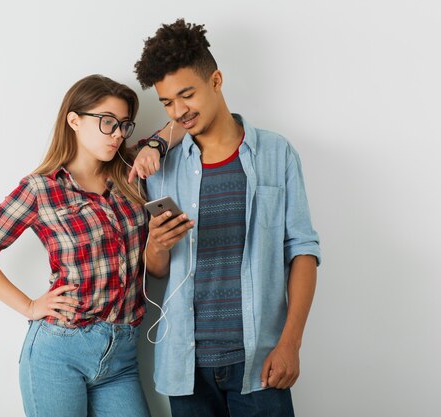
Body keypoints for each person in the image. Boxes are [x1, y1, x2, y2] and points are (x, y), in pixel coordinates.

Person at [130, 19, 322, 417]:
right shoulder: (161, 168)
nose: (179, 111)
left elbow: (302, 250)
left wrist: (290, 343)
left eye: (187, 94)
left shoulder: (275, 153)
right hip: (186, 366)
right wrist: (157, 245)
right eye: (167, 102)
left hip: (261, 362)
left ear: (216, 80)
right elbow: (158, 270)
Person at [0, 74, 152, 417]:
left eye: (124, 124)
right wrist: (30, 306)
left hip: (122, 355)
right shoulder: (41, 189)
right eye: (107, 122)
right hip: (60, 352)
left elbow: (179, 128)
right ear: (74, 120)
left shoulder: (129, 175)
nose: (118, 133)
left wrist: (154, 145)